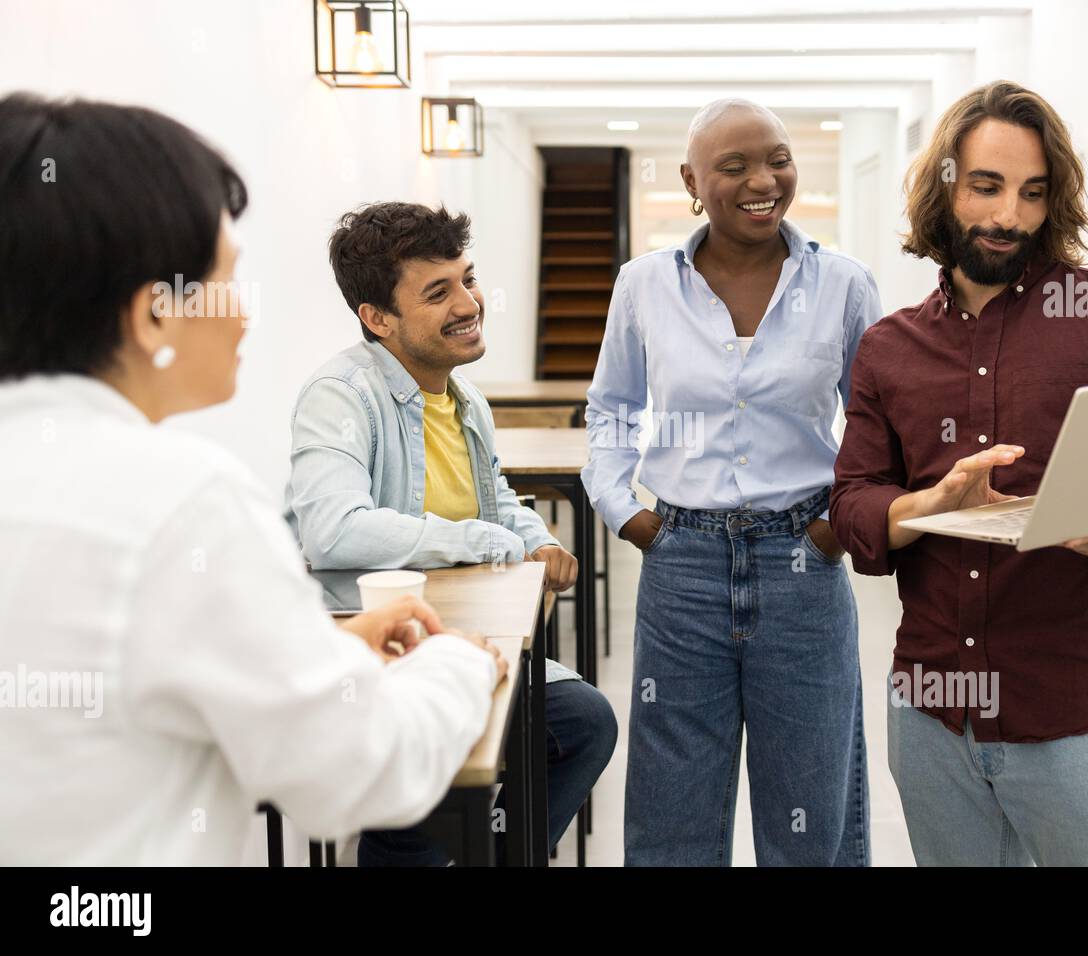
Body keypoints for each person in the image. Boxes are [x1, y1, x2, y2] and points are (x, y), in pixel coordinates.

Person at [0, 93, 506, 865]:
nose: (245, 317)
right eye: (228, 282)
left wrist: (316, 651)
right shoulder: (182, 503)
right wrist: (463, 660)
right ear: (153, 315)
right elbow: (361, 767)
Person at [831, 81, 1088, 866]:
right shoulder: (888, 349)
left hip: (1073, 721)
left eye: (1033, 193)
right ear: (944, 188)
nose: (1008, 216)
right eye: (986, 186)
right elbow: (853, 509)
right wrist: (929, 504)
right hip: (932, 715)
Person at [583, 98, 881, 866]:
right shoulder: (644, 285)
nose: (764, 180)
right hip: (682, 562)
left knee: (811, 805)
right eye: (735, 165)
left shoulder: (843, 284)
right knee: (672, 808)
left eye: (778, 158)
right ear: (691, 180)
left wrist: (830, 529)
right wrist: (630, 516)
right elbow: (612, 412)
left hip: (803, 564)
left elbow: (878, 427)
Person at [284, 202, 617, 864]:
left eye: (467, 279)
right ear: (377, 318)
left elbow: (491, 495)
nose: (469, 302)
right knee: (429, 782)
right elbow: (332, 530)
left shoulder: (464, 399)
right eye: (439, 292)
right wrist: (486, 541)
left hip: (460, 635)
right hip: (371, 647)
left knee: (584, 723)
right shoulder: (340, 395)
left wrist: (532, 535)